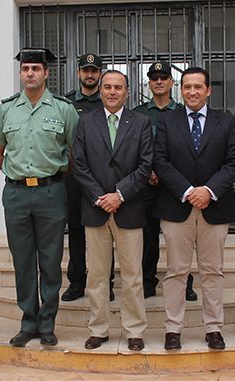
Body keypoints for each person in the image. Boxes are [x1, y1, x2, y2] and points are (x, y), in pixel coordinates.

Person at [0, 48, 79, 347]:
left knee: (50, 261)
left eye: (36, 69)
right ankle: (28, 322)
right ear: (20, 73)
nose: (30, 74)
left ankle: (47, 323)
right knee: (23, 260)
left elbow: (75, 154)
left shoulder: (64, 109)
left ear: (46, 73)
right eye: (26, 69)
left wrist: (49, 176)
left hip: (51, 192)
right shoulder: (6, 109)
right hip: (16, 194)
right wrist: (19, 175)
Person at [153, 67, 235, 350]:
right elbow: (160, 161)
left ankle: (213, 328)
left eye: (198, 87)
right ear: (181, 89)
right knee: (176, 271)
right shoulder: (167, 121)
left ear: (208, 90)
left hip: (214, 207)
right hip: (176, 206)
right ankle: (173, 329)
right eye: (187, 86)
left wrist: (209, 191)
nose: (192, 91)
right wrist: (189, 191)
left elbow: (233, 162)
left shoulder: (226, 122)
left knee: (212, 271)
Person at [73, 70, 153, 351]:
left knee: (132, 276)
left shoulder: (141, 123)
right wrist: (100, 197)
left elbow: (145, 166)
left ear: (127, 92)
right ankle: (99, 329)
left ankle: (134, 330)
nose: (112, 92)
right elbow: (79, 166)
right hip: (95, 211)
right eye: (107, 87)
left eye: (118, 87)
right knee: (96, 276)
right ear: (101, 91)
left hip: (128, 209)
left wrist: (119, 195)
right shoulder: (85, 122)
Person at [133, 60, 198, 301]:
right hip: (145, 185)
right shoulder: (138, 113)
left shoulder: (183, 113)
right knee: (148, 238)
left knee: (179, 240)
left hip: (175, 186)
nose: (159, 81)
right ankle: (148, 282)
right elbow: (132, 148)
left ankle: (185, 282)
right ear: (149, 83)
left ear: (172, 82)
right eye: (154, 78)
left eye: (163, 77)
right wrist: (147, 172)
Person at [62, 53, 115, 303]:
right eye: (86, 70)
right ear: (79, 73)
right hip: (74, 176)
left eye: (94, 70)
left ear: (100, 74)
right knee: (75, 229)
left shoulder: (108, 101)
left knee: (107, 230)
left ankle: (107, 282)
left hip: (104, 177)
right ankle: (77, 281)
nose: (90, 74)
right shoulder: (67, 103)